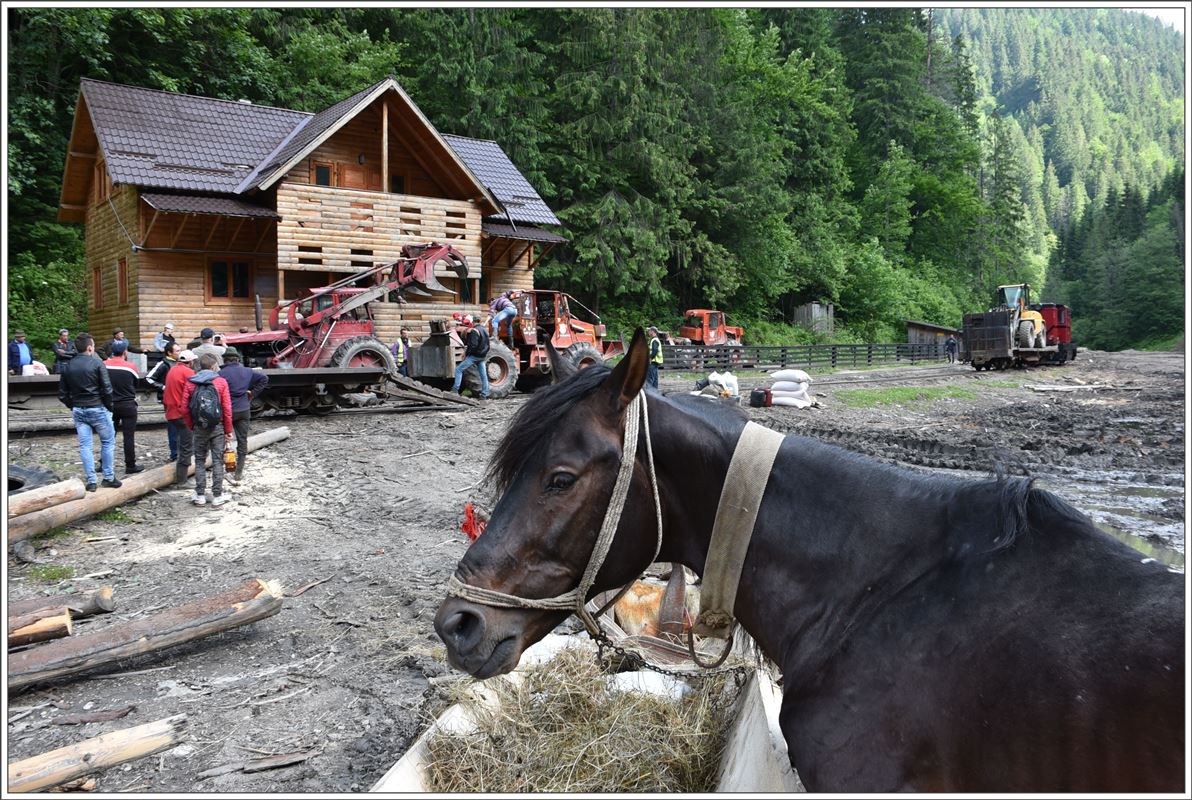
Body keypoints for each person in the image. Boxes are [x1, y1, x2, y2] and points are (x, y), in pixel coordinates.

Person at [58, 333, 121, 492]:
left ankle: (91, 481)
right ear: (90, 347)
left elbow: (62, 394)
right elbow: (107, 389)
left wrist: (73, 406)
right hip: (98, 407)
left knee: (85, 446)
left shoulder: (67, 366)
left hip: (79, 409)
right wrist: (109, 407)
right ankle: (108, 477)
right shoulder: (98, 364)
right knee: (107, 442)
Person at [182, 353, 234, 506]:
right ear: (213, 367)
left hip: (199, 426)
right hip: (217, 426)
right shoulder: (221, 382)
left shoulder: (191, 383)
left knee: (199, 460)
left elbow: (184, 408)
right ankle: (217, 496)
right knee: (218, 460)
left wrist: (192, 425)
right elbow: (227, 408)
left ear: (199, 367)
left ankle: (200, 495)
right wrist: (228, 430)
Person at [218, 347, 268, 486]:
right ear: (237, 359)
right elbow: (264, 378)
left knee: (223, 440)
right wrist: (253, 393)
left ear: (224, 359)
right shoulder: (247, 371)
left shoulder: (220, 374)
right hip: (244, 409)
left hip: (227, 412)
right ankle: (238, 473)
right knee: (242, 440)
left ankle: (221, 470)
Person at [103, 340, 143, 475]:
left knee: (108, 436)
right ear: (125, 351)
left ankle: (104, 463)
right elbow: (136, 384)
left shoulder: (103, 365)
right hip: (128, 404)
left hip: (110, 405)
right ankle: (130, 465)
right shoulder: (131, 367)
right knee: (129, 436)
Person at [164, 349, 197, 486]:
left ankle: (181, 471)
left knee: (180, 443)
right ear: (190, 362)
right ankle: (182, 480)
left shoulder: (172, 370)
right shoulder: (189, 372)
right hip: (181, 414)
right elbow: (195, 393)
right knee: (186, 447)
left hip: (171, 412)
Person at [147, 341, 181, 460]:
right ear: (169, 353)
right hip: (169, 400)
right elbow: (149, 378)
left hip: (180, 398)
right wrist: (164, 387)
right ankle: (174, 453)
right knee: (173, 426)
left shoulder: (179, 363)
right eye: (177, 351)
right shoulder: (163, 364)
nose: (179, 352)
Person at [451, 314, 490, 399]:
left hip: (474, 356)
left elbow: (473, 345)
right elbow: (488, 344)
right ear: (479, 321)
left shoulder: (474, 331)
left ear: (473, 321)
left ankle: (455, 390)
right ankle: (484, 394)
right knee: (483, 376)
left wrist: (466, 354)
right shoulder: (485, 330)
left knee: (458, 370)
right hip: (482, 357)